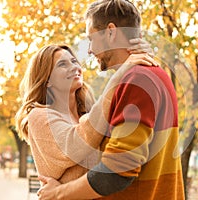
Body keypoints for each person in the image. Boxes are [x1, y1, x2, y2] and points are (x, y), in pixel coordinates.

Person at [38, 0, 184, 200]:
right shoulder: (153, 75)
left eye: (91, 38)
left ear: (110, 32)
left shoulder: (137, 80)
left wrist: (58, 194)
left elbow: (117, 170)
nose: (89, 50)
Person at [15, 43, 157, 184]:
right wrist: (119, 76)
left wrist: (145, 58)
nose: (74, 67)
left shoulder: (89, 112)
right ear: (47, 81)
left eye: (74, 61)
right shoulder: (38, 116)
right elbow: (76, 144)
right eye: (62, 64)